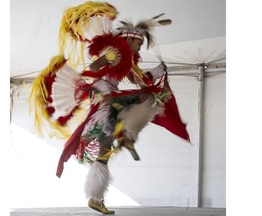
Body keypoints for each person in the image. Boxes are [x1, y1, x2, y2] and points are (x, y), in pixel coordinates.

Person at [28, 2, 189, 215]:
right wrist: (107, 58)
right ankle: (127, 134)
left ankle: (96, 198)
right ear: (129, 39)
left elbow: (140, 80)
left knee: (105, 149)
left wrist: (158, 71)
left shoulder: (128, 60)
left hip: (109, 100)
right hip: (103, 99)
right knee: (148, 98)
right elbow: (93, 69)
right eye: (138, 44)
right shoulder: (115, 52)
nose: (139, 48)